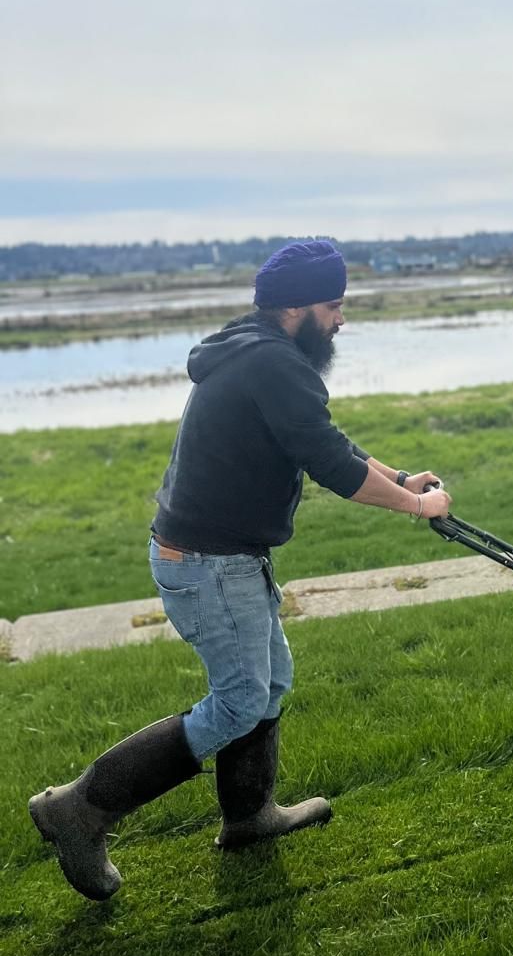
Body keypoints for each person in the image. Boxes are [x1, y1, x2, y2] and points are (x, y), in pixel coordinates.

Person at [29, 238, 452, 902]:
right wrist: (418, 505)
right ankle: (78, 811)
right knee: (239, 700)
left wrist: (398, 476)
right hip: (209, 563)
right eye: (334, 305)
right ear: (297, 308)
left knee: (270, 682)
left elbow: (323, 441)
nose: (341, 319)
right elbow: (333, 469)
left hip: (219, 556)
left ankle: (250, 815)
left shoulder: (256, 352)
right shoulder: (274, 364)